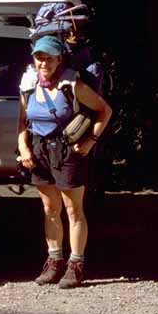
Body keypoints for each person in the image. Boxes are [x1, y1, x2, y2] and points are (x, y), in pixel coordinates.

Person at [17, 35, 112, 288]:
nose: (43, 63)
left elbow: (105, 110)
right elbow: (23, 122)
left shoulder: (72, 84)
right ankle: (54, 261)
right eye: (39, 57)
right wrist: (23, 147)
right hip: (39, 152)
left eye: (49, 58)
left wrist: (91, 140)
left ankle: (76, 265)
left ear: (59, 59)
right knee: (50, 210)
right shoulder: (28, 84)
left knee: (73, 210)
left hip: (68, 151)